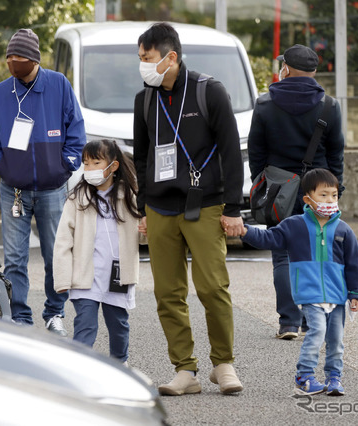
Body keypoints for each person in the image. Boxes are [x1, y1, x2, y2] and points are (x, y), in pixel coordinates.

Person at [133, 22, 244, 395]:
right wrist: (142, 208)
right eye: (141, 59)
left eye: (147, 58)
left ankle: (223, 364)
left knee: (213, 287)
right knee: (167, 293)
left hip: (206, 204)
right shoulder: (145, 99)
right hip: (160, 208)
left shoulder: (208, 92)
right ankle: (185, 370)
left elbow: (231, 150)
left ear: (171, 57)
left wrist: (233, 208)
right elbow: (142, 156)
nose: (143, 66)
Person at [0, 29, 86, 335]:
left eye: (20, 57)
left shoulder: (58, 85)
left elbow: (76, 129)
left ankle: (55, 313)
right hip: (13, 188)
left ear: (34, 59)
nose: (14, 62)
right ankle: (21, 319)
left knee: (56, 256)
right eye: (9, 57)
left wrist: (65, 164)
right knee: (14, 260)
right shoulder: (2, 92)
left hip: (53, 189)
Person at [248, 44, 345, 340]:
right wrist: (334, 191)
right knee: (316, 254)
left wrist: (263, 184)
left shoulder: (265, 104)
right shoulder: (329, 106)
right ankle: (312, 320)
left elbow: (257, 152)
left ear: (286, 69)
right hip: (318, 190)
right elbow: (337, 154)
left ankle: (289, 322)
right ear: (313, 73)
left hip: (278, 189)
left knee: (282, 255)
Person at [237, 168, 358, 396]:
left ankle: (334, 378)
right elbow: (269, 238)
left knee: (336, 341)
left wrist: (356, 293)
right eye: (323, 195)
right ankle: (304, 376)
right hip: (310, 294)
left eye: (333, 195)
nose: (330, 200)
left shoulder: (344, 230)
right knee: (316, 332)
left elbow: (354, 265)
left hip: (337, 296)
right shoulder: (294, 225)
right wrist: (245, 231)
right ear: (308, 199)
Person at [54, 139, 144, 363]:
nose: (90, 169)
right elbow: (63, 241)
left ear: (113, 166)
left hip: (117, 275)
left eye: (96, 162)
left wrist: (146, 227)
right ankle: (79, 370)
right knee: (85, 326)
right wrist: (62, 278)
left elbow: (143, 238)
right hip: (85, 276)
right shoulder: (77, 199)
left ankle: (119, 364)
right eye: (86, 163)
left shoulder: (131, 197)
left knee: (119, 325)